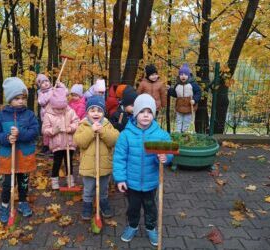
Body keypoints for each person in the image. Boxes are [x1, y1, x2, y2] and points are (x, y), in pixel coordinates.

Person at [113, 94, 173, 246]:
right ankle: (132, 226)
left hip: (151, 181)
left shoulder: (160, 135)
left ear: (153, 114)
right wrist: (120, 178)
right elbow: (119, 158)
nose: (146, 115)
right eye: (142, 111)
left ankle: (151, 227)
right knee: (133, 208)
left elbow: (169, 151)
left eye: (149, 112)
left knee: (150, 207)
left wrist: (165, 158)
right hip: (131, 183)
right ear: (135, 113)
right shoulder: (125, 135)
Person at [0, 77, 39, 223]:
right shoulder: (1, 116)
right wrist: (6, 138)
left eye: (23, 98)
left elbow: (35, 131)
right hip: (8, 157)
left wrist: (20, 134)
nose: (21, 101)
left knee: (23, 182)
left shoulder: (29, 115)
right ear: (10, 99)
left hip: (24, 155)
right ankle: (5, 205)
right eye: (17, 98)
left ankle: (23, 202)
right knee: (7, 184)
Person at [73, 95, 119, 220]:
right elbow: (80, 141)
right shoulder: (83, 125)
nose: (96, 113)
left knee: (103, 188)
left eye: (99, 110)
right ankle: (87, 205)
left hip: (104, 165)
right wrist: (92, 131)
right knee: (88, 189)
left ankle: (103, 203)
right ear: (87, 112)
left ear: (103, 112)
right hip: (88, 166)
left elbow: (114, 139)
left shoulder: (107, 125)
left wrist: (102, 132)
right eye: (92, 110)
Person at [42, 85, 80, 190]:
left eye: (62, 108)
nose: (60, 110)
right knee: (57, 162)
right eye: (58, 109)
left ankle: (70, 180)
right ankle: (54, 181)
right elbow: (44, 129)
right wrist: (53, 131)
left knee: (69, 162)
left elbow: (77, 122)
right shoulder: (48, 114)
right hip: (57, 144)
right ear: (53, 105)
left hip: (69, 142)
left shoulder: (70, 111)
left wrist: (71, 128)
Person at [168, 63, 201, 132]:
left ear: (188, 75)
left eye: (185, 75)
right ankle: (178, 132)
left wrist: (194, 100)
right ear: (179, 76)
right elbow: (175, 93)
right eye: (181, 74)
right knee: (178, 120)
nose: (183, 76)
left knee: (186, 121)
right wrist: (169, 90)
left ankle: (184, 132)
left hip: (189, 106)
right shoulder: (178, 85)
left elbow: (198, 92)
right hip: (179, 106)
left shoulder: (192, 84)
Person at [36, 74, 53, 153]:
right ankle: (46, 145)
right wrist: (50, 95)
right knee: (45, 131)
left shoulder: (54, 89)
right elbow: (42, 102)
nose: (45, 83)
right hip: (45, 115)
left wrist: (60, 86)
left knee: (53, 130)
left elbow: (64, 93)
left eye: (46, 81)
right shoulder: (40, 93)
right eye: (43, 82)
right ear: (40, 85)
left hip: (53, 114)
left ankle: (52, 146)